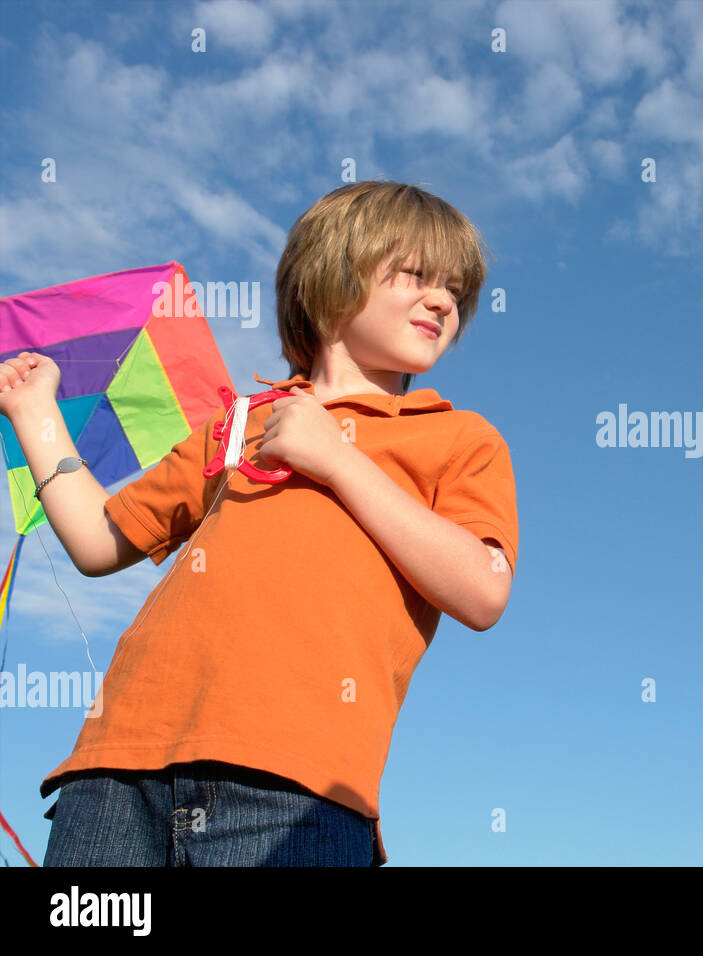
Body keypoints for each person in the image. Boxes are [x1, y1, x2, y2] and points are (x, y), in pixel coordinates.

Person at [0, 181, 518, 866]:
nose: (444, 300)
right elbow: (99, 542)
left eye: (456, 289)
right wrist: (33, 410)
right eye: (417, 275)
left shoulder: (458, 438)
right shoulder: (238, 423)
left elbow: (483, 591)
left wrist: (336, 459)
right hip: (114, 769)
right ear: (333, 275)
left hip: (293, 787)